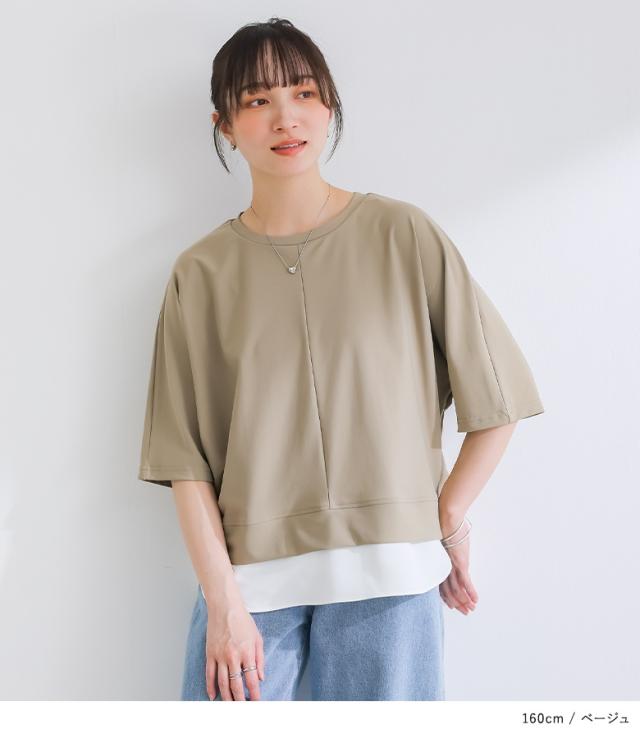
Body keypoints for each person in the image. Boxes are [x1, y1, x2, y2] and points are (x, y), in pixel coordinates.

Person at [137, 17, 545, 701]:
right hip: (251, 589)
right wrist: (224, 603)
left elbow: (497, 399)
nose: (286, 117)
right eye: (258, 100)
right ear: (224, 125)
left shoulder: (403, 234)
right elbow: (184, 461)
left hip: (392, 580)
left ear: (329, 105)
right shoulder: (200, 274)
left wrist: (445, 517)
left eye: (304, 93)